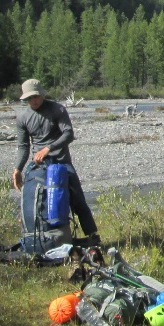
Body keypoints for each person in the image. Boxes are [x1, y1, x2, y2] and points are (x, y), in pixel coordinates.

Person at [12, 78, 101, 245]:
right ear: (25, 99)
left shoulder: (57, 109)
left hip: (61, 161)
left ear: (42, 95)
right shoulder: (22, 117)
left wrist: (48, 148)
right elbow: (23, 146)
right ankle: (38, 238)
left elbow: (68, 134)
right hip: (38, 164)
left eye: (36, 97)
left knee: (78, 199)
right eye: (30, 98)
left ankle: (92, 235)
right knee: (35, 200)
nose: (34, 101)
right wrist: (18, 169)